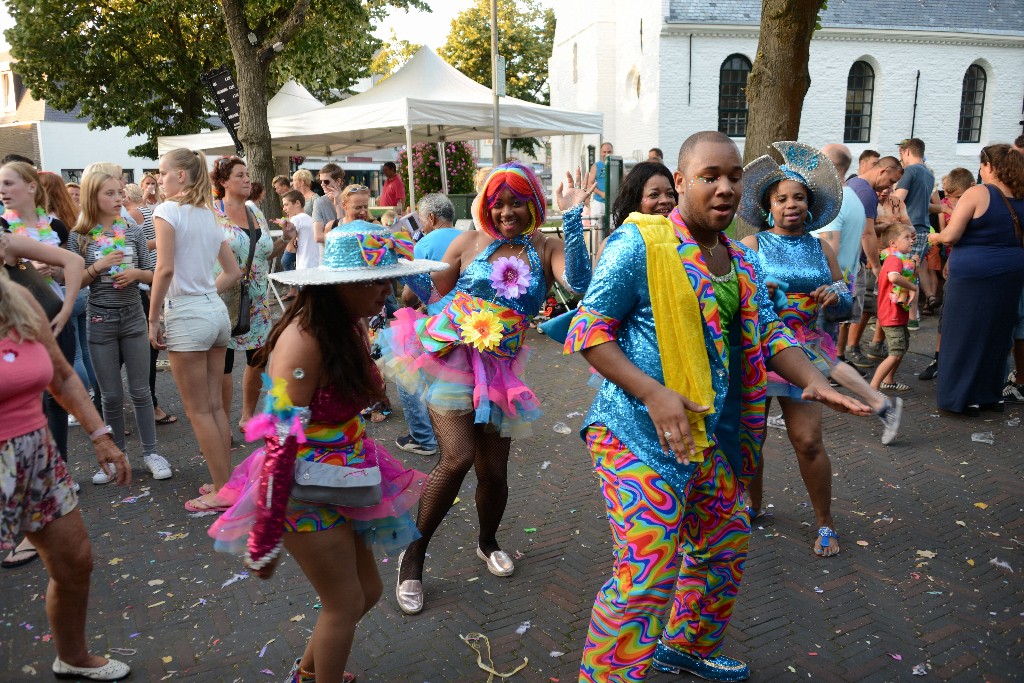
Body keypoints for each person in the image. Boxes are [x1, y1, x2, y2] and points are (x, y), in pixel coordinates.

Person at [566, 131, 870, 683]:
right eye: (710, 177)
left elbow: (770, 333)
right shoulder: (642, 243)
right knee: (647, 573)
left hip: (716, 438)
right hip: (637, 435)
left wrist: (814, 379)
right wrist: (654, 393)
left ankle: (685, 647)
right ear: (681, 181)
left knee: (724, 545)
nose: (725, 188)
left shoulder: (742, 259)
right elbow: (589, 330)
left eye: (733, 177)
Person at [208, 222, 442, 683]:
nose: (386, 289)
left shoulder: (347, 325)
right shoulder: (304, 339)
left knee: (368, 591)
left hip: (350, 475)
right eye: (375, 279)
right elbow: (279, 437)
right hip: (302, 485)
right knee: (344, 602)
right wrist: (266, 531)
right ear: (339, 285)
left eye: (389, 277)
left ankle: (308, 674)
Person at [380, 162, 594, 615]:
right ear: (486, 207)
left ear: (533, 203)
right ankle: (412, 559)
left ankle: (487, 541)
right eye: (498, 203)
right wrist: (403, 266)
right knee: (456, 457)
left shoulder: (546, 246)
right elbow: (432, 297)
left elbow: (582, 286)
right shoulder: (469, 241)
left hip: (500, 372)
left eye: (517, 201)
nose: (506, 211)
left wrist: (573, 218)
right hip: (451, 360)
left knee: (493, 472)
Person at [739, 143, 903, 560]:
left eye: (798, 198)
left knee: (808, 441)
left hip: (808, 353)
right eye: (782, 199)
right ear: (768, 206)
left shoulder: (820, 248)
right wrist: (767, 294)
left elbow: (848, 304)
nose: (791, 205)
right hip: (760, 354)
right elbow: (740, 301)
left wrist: (835, 293)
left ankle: (825, 522)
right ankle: (753, 507)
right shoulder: (752, 246)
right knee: (750, 442)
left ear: (810, 206)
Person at [0, 254, 132, 681]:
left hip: (36, 453)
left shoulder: (17, 299)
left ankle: (72, 657)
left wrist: (100, 436)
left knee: (75, 560)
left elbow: (62, 375)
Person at [149, 148, 242, 513]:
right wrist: (203, 292)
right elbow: (232, 272)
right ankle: (225, 481)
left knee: (200, 410)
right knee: (215, 407)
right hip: (214, 312)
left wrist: (153, 318)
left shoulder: (166, 210)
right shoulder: (208, 214)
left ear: (181, 176)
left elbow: (164, 269)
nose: (160, 178)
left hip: (187, 315)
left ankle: (223, 489)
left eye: (162, 172)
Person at [67, 169, 169, 485]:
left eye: (119, 193)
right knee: (110, 395)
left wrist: (136, 275)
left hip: (133, 317)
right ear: (92, 197)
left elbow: (153, 274)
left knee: (141, 391)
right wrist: (98, 267)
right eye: (109, 193)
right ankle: (117, 457)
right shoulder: (79, 235)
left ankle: (151, 453)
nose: (117, 199)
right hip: (99, 320)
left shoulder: (134, 231)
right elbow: (74, 281)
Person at [928, 144, 1024, 416]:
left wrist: (933, 237)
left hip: (975, 274)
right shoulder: (1020, 194)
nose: (981, 170)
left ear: (990, 167)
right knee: (997, 334)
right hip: (1012, 272)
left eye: (982, 164)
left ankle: (961, 398)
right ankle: (990, 396)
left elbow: (951, 236)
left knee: (963, 334)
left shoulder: (979, 192)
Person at [210, 157, 294, 431]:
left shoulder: (254, 211)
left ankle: (247, 415)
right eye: (240, 175)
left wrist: (286, 238)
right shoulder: (212, 213)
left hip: (257, 298)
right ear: (223, 182)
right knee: (223, 363)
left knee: (258, 358)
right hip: (223, 297)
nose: (247, 179)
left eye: (247, 175)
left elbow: (266, 252)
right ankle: (221, 423)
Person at [395, 193, 460, 457]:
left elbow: (413, 294)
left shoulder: (425, 243)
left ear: (431, 218)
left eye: (422, 220)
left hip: (441, 325)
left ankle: (423, 438)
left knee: (404, 368)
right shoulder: (470, 237)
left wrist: (405, 301)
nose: (421, 225)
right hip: (473, 321)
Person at [841, 156, 904, 368]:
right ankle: (838, 361)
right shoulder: (867, 193)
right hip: (850, 261)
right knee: (846, 315)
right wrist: (877, 266)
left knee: (843, 314)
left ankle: (838, 359)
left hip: (844, 258)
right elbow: (866, 233)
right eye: (891, 181)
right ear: (883, 171)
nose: (889, 186)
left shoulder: (853, 184)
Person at [870, 224, 918, 392]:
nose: (911, 241)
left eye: (911, 237)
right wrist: (913, 287)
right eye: (906, 237)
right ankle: (873, 389)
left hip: (896, 314)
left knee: (901, 348)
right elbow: (894, 278)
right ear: (893, 243)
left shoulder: (896, 259)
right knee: (896, 352)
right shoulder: (894, 260)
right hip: (891, 315)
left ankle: (888, 380)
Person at [894, 138, 936, 327]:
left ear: (908, 152)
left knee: (904, 273)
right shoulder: (928, 173)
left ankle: (908, 318)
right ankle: (913, 316)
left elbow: (898, 200)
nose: (901, 156)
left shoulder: (910, 171)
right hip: (923, 228)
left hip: (909, 228)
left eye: (902, 152)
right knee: (913, 272)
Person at [279, 190, 317, 270]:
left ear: (297, 203)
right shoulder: (311, 219)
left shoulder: (296, 219)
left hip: (304, 266)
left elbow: (290, 251)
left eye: (286, 205)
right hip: (316, 265)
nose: (284, 209)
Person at [313, 163, 345, 246]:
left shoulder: (350, 200)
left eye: (326, 181)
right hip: (327, 253)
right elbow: (318, 236)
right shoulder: (319, 202)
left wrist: (338, 205)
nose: (322, 184)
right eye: (321, 181)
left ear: (338, 181)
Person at [586, 142, 614, 226]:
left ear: (612, 152)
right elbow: (590, 184)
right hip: (599, 203)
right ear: (601, 152)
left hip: (613, 203)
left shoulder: (617, 164)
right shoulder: (596, 166)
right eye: (604, 152)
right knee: (597, 229)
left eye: (609, 152)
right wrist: (601, 193)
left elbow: (624, 180)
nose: (606, 154)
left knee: (613, 229)